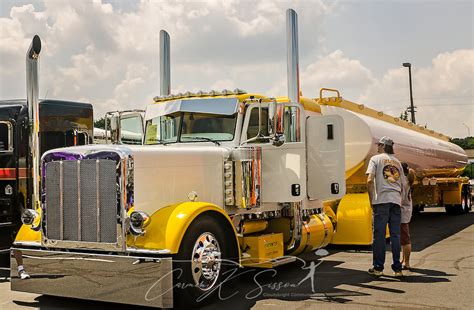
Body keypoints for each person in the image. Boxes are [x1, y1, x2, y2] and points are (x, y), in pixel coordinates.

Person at [366, 136, 405, 277]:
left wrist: (371, 199)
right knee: (395, 235)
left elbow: (370, 180)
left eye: (378, 145)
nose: (377, 147)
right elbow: (403, 184)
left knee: (380, 236)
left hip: (381, 201)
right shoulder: (397, 162)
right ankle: (397, 269)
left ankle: (378, 268)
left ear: (382, 145)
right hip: (395, 201)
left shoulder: (375, 159)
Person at [401, 162, 415, 271]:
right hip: (406, 212)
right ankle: (403, 260)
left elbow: (400, 200)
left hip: (402, 213)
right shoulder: (407, 180)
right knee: (403, 239)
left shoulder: (403, 182)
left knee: (405, 239)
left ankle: (407, 263)